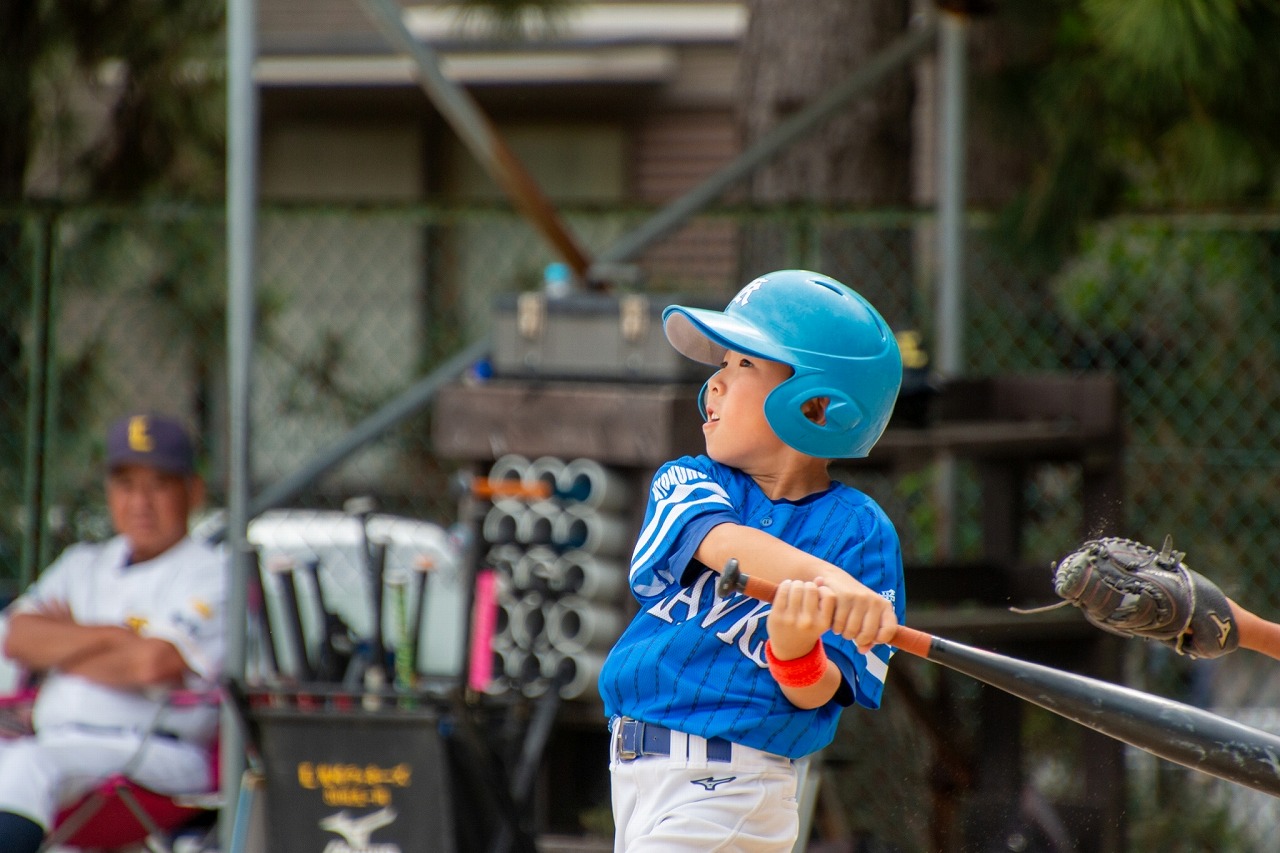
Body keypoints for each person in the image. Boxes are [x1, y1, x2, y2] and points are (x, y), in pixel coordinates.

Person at [597, 270, 908, 852]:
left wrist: (795, 652)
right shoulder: (689, 479)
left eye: (742, 366)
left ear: (815, 406)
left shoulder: (860, 533)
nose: (713, 383)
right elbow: (723, 543)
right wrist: (828, 584)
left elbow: (823, 691)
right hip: (636, 778)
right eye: (720, 364)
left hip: (737, 785)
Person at [0, 412, 226, 851]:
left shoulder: (212, 571)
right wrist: (113, 637)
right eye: (126, 484)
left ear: (192, 491)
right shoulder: (82, 563)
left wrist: (65, 641)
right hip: (61, 742)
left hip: (158, 753)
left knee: (31, 765)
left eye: (158, 484)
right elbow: (19, 636)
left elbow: (152, 664)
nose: (140, 502)